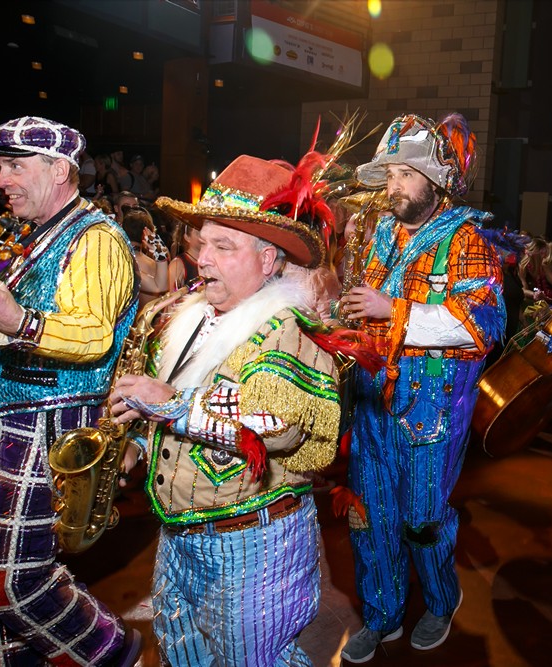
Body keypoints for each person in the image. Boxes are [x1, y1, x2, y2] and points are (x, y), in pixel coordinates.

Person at [109, 153, 344, 665]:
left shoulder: (287, 328)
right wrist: (138, 443)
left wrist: (170, 404)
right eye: (201, 244)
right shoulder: (194, 318)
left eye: (223, 246)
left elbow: (275, 428)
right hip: (180, 537)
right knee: (182, 655)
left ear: (267, 259)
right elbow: (180, 412)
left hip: (254, 548)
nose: (203, 259)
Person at [0, 116, 141, 664]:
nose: (0, 180)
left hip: (49, 425)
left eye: (15, 166)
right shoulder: (24, 234)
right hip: (0, 417)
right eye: (0, 167)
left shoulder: (97, 239)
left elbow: (93, 336)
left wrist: (16, 319)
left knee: (18, 583)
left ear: (59, 170)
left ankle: (115, 654)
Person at [338, 113, 505, 662]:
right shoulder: (379, 233)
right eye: (389, 176)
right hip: (370, 401)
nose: (391, 187)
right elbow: (359, 304)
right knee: (370, 513)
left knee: (422, 517)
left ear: (434, 184)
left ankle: (439, 601)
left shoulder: (468, 236)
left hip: (430, 408)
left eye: (403, 176)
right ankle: (381, 614)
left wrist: (396, 311)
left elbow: (484, 325)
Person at [120, 206, 169, 305]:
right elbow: (161, 287)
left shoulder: (122, 260)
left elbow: (160, 287)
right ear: (147, 234)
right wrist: (160, 252)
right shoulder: (148, 263)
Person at [168, 220, 204, 289]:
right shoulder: (178, 264)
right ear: (187, 237)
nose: (203, 237)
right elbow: (174, 297)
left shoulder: (212, 260)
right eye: (198, 233)